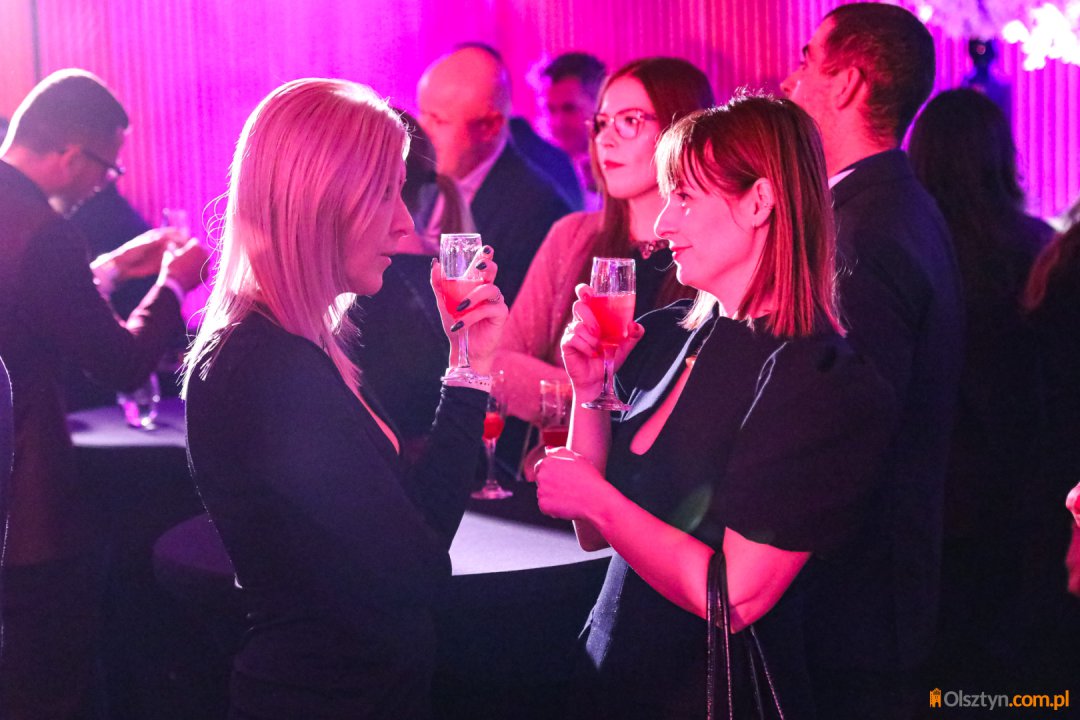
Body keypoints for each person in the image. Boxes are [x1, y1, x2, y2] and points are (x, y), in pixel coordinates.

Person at [534, 93, 895, 719]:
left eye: (684, 197)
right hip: (608, 680)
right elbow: (592, 531)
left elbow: (735, 598)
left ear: (760, 202)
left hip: (710, 697)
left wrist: (597, 500)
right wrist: (590, 391)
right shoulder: (668, 332)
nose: (662, 223)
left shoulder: (818, 376)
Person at [182, 78, 508, 718]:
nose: (405, 223)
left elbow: (416, 529)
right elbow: (417, 571)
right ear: (319, 201)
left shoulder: (297, 345)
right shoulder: (268, 367)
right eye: (384, 193)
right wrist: (468, 371)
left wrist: (470, 363)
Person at [0, 69, 205, 720]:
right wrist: (174, 284)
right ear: (69, 155)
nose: (104, 183)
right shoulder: (45, 231)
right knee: (48, 686)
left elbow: (26, 305)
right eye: (108, 168)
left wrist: (112, 268)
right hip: (26, 506)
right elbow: (120, 363)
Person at [780, 5, 963, 714]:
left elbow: (843, 436)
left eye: (806, 59)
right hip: (875, 589)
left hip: (849, 599)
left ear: (849, 83)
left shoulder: (863, 230)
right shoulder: (898, 203)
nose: (789, 80)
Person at [908, 87, 1055, 685]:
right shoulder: (1037, 246)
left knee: (934, 648)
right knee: (1004, 649)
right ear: (1001, 156)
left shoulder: (910, 242)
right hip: (1019, 468)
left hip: (929, 466)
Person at [496, 57, 710, 429]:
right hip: (566, 454)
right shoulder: (573, 236)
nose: (605, 139)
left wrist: (578, 395)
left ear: (681, 130)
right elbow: (502, 365)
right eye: (601, 123)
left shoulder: (715, 245)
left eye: (629, 121)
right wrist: (593, 396)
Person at [416, 46, 572, 306]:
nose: (423, 130)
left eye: (439, 120)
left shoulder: (538, 210)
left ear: (490, 127)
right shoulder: (417, 180)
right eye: (423, 114)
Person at [535, 52, 607, 210]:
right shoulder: (537, 173)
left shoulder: (628, 170)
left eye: (570, 109)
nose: (558, 123)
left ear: (600, 106)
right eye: (551, 110)